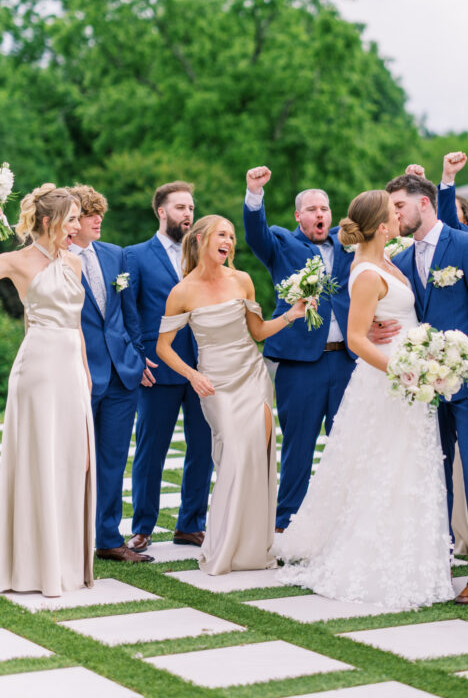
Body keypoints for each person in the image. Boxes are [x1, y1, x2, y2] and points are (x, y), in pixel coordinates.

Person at [274, 191, 454, 611]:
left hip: (410, 375)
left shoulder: (389, 260)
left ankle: (414, 554)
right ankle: (377, 557)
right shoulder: (368, 272)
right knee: (389, 465)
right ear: (381, 224)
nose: (399, 214)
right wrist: (403, 372)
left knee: (408, 464)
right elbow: (356, 338)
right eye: (394, 211)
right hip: (391, 378)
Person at [156, 216, 307, 573]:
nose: (229, 241)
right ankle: (223, 545)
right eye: (222, 235)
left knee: (257, 456)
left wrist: (292, 314)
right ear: (200, 240)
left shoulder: (242, 280)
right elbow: (164, 347)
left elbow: (257, 332)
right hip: (215, 383)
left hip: (252, 376)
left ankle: (253, 546)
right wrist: (192, 376)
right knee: (234, 456)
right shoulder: (182, 291)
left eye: (232, 236)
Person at [384, 173, 468, 604]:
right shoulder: (399, 261)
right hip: (426, 389)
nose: (394, 214)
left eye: (399, 205)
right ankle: (437, 559)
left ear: (424, 202)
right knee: (432, 473)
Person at [0, 186, 95, 596]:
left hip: (69, 368)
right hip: (37, 369)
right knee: (38, 458)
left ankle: (63, 562)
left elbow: (78, 324)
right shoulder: (17, 260)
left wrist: (85, 373)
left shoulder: (74, 263)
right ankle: (32, 566)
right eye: (71, 220)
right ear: (49, 221)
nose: (77, 227)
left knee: (70, 460)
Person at [243, 166, 356, 531]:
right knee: (299, 445)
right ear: (298, 216)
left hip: (347, 360)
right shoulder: (282, 242)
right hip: (300, 363)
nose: (320, 214)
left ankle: (346, 519)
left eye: (324, 208)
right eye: (312, 209)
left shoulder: (347, 240)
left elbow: (386, 224)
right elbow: (256, 234)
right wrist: (254, 195)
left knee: (349, 442)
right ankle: (286, 522)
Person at [125, 182, 213, 553]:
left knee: (203, 448)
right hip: (156, 368)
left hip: (202, 367)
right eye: (180, 208)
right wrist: (134, 356)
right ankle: (143, 526)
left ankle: (191, 525)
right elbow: (128, 310)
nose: (188, 214)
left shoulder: (205, 255)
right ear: (161, 212)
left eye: (191, 207)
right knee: (151, 449)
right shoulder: (135, 255)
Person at [68, 184, 150, 564]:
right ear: (71, 222)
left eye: (99, 212)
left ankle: (108, 538)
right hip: (77, 372)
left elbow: (128, 310)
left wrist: (138, 355)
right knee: (73, 459)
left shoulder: (115, 254)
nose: (97, 219)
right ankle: (70, 537)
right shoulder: (54, 258)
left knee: (114, 458)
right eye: (88, 214)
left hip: (122, 373)